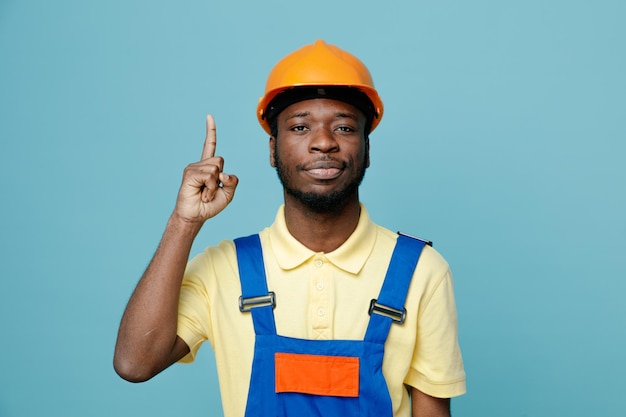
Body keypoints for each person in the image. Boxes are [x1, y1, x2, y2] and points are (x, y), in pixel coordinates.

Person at [114, 39, 466, 417]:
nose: (323, 142)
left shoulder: (421, 271)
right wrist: (183, 223)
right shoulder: (225, 269)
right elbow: (135, 364)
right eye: (300, 127)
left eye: (345, 128)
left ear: (366, 148)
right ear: (272, 149)